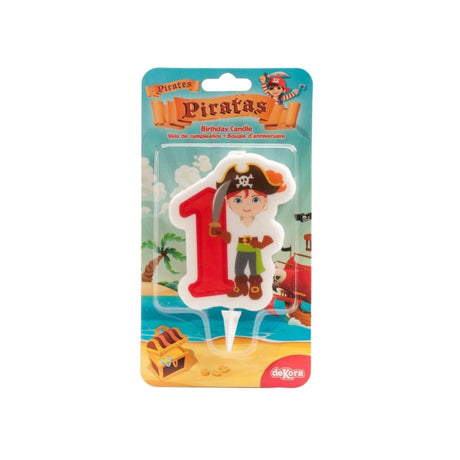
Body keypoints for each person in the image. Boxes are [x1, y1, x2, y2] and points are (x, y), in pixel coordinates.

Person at [209, 163, 286, 300]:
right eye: (238, 201)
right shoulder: (234, 224)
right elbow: (229, 238)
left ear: (264, 202)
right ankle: (241, 286)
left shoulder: (262, 223)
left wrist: (261, 244)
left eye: (255, 199)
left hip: (254, 249)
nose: (247, 205)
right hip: (240, 248)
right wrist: (219, 233)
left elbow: (271, 236)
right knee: (238, 269)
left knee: (254, 269)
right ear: (229, 203)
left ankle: (255, 286)